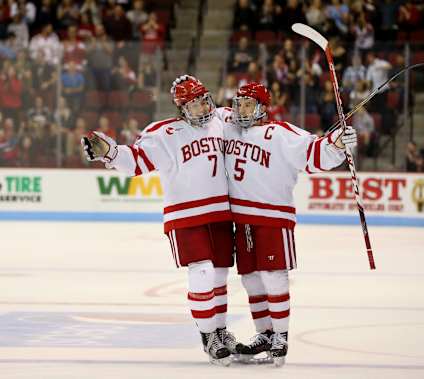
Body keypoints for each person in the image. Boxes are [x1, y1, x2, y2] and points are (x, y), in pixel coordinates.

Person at [81, 75, 242, 366]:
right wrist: (112, 153)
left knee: (218, 276)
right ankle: (208, 336)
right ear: (182, 108)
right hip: (185, 215)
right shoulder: (164, 133)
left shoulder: (223, 119)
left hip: (221, 211)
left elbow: (256, 126)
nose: (202, 107)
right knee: (202, 273)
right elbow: (137, 162)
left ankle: (220, 329)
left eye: (204, 99)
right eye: (194, 103)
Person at [218, 82, 357, 366]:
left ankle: (280, 336)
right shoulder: (227, 127)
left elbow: (316, 154)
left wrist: (338, 144)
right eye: (239, 103)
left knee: (273, 276)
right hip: (242, 220)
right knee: (251, 279)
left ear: (262, 108)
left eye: (248, 104)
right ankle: (265, 334)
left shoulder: (281, 133)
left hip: (273, 218)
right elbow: (205, 116)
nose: (241, 109)